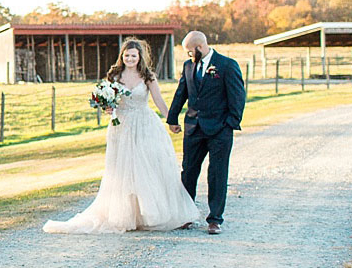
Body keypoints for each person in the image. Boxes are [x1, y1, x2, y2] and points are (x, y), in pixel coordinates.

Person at [44, 38, 201, 234]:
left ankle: (150, 214)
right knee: (123, 170)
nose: (130, 58)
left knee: (147, 167)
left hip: (144, 124)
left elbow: (159, 101)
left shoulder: (148, 76)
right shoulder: (114, 76)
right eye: (126, 55)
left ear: (139, 57)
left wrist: (171, 120)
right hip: (122, 126)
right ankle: (127, 216)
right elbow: (106, 100)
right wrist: (107, 107)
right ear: (122, 56)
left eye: (133, 55)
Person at [166, 30, 245, 235]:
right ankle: (186, 215)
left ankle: (215, 219)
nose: (189, 56)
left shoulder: (227, 65)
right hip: (194, 128)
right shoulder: (188, 66)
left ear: (200, 47)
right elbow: (181, 92)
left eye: (190, 52)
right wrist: (172, 118)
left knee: (217, 174)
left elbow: (237, 97)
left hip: (220, 129)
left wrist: (230, 123)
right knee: (188, 172)